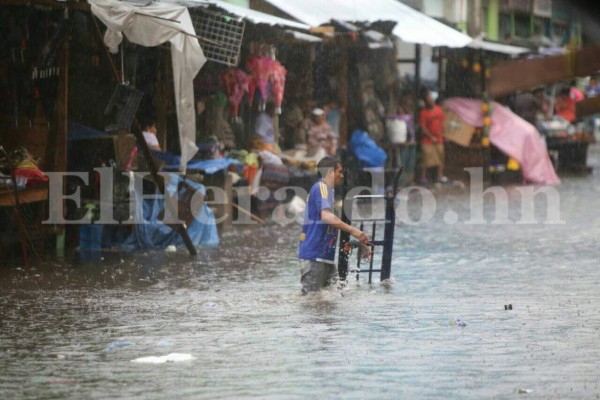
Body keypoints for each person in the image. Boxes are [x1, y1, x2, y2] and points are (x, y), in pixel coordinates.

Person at [298, 156, 371, 294]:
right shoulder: (321, 187)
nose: (342, 176)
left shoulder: (329, 192)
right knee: (311, 301)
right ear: (330, 172)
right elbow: (326, 216)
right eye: (340, 171)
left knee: (332, 298)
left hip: (325, 255)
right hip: (314, 255)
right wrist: (354, 231)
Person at [418, 89, 447, 184]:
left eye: (431, 97)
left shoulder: (439, 110)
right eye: (428, 97)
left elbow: (443, 123)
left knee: (440, 157)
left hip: (439, 139)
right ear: (426, 99)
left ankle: (440, 176)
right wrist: (431, 137)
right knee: (426, 159)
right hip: (427, 140)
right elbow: (423, 127)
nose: (430, 99)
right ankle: (423, 177)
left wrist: (444, 133)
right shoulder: (423, 112)